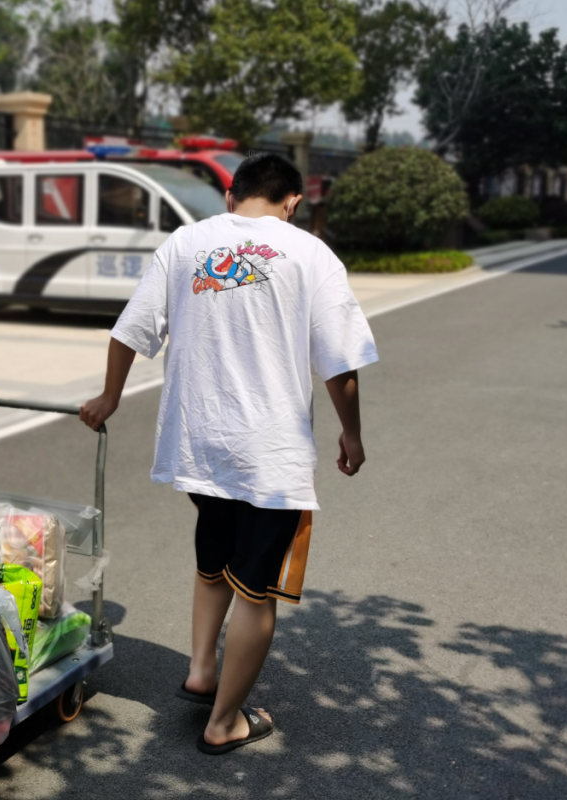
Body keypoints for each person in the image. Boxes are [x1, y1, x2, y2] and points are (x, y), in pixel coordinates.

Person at [79, 153, 378, 754]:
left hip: (197, 441)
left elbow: (129, 330)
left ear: (230, 195)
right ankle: (223, 723)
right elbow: (338, 362)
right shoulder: (310, 253)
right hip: (268, 453)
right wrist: (352, 433)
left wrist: (111, 396)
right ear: (292, 202)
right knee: (257, 590)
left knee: (214, 555)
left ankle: (201, 668)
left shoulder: (185, 243)